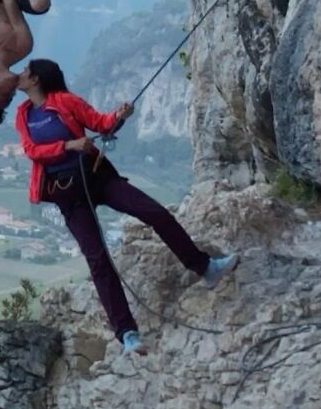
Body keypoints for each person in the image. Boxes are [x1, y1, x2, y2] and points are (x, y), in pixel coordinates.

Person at [15, 58, 239, 354]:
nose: (20, 75)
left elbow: (99, 122)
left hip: (96, 176)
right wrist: (68, 146)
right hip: (67, 193)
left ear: (36, 79)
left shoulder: (65, 101)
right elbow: (32, 151)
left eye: (25, 72)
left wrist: (119, 115)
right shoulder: (24, 114)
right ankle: (127, 333)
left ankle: (204, 266)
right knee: (98, 260)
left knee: (154, 212)